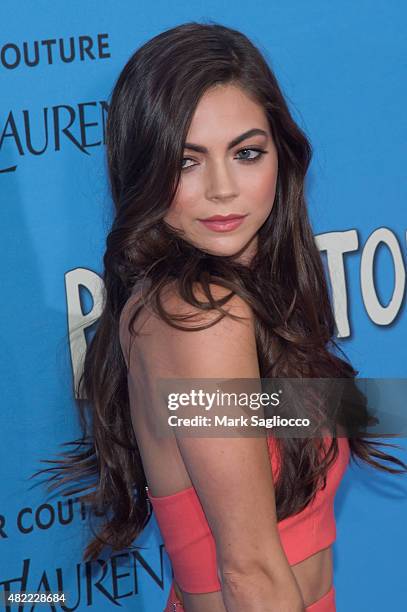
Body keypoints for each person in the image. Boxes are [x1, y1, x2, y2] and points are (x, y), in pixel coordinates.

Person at [36, 21, 407, 612]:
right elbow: (249, 572)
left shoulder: (195, 304)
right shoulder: (205, 316)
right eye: (187, 162)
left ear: (281, 156)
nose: (223, 189)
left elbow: (264, 414)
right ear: (146, 173)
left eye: (247, 152)